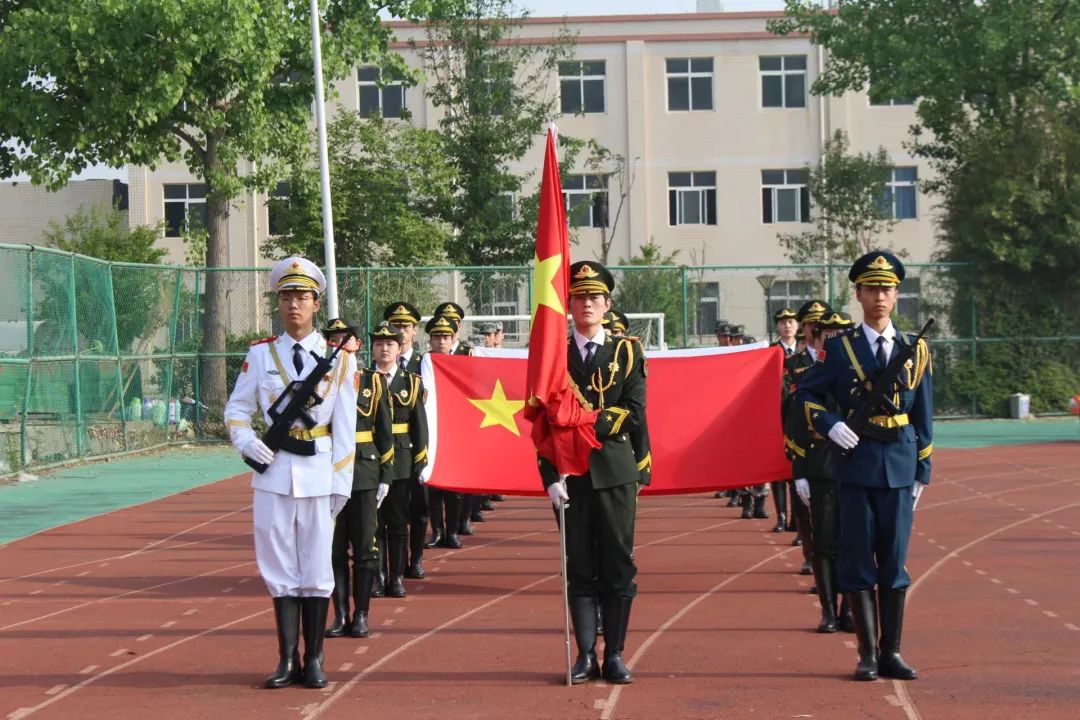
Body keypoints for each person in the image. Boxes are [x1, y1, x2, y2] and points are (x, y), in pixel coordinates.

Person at [795, 251, 932, 681]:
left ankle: (892, 652)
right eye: (872, 288)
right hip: (856, 465)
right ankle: (867, 653)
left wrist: (923, 469)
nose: (879, 296)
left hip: (899, 465)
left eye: (887, 289)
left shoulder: (915, 349)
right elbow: (805, 395)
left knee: (894, 563)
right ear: (858, 294)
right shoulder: (840, 349)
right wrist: (831, 424)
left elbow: (924, 413)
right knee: (857, 561)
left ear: (897, 295)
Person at [223, 257, 358, 689]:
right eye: (286, 297)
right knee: (279, 568)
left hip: (319, 473)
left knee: (316, 569)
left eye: (302, 297)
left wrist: (340, 484)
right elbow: (236, 410)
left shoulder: (340, 360)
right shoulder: (261, 354)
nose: (293, 304)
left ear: (316, 303)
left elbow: (346, 430)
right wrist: (248, 444)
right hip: (274, 473)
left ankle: (314, 658)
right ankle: (286, 659)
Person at [540, 261, 651, 685]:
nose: (586, 303)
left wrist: (584, 422)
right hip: (570, 475)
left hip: (615, 471)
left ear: (607, 304)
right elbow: (542, 422)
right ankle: (586, 654)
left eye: (594, 297)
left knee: (618, 564)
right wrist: (549, 477)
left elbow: (634, 411)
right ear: (568, 305)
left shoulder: (628, 352)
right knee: (580, 564)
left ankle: (616, 653)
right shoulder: (554, 356)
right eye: (579, 297)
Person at [324, 318, 395, 641]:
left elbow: (385, 432)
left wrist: (386, 475)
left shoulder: (373, 381)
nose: (340, 344)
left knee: (366, 547)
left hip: (363, 472)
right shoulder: (319, 379)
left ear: (357, 345)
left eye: (346, 339)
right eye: (334, 339)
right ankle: (340, 614)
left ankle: (362, 614)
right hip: (328, 472)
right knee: (335, 550)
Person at [784, 309, 854, 634]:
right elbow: (795, 423)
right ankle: (828, 610)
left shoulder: (860, 373)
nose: (835, 338)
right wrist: (799, 471)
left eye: (842, 334)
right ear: (817, 336)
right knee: (824, 542)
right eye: (829, 334)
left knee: (853, 543)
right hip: (821, 466)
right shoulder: (809, 374)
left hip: (854, 467)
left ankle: (849, 609)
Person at [370, 324, 429, 598]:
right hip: (371, 459)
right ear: (372, 349)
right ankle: (377, 576)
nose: (384, 349)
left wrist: (420, 461)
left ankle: (396, 576)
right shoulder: (363, 381)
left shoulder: (411, 382)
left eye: (390, 344)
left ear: (398, 349)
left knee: (398, 521)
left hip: (401, 460)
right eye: (379, 344)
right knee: (374, 523)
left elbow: (420, 426)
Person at [382, 302, 428, 578]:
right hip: (388, 450)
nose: (401, 330)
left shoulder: (426, 364)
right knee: (390, 512)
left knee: (420, 506)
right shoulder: (377, 365)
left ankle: (417, 557)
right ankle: (387, 570)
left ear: (415, 330)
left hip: (416, 444)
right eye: (395, 326)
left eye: (405, 326)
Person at [786, 300, 831, 571]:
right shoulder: (794, 364)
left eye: (819, 324)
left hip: (835, 445)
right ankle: (810, 555)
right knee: (804, 507)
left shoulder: (841, 360)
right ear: (803, 328)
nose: (815, 329)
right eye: (810, 324)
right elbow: (787, 407)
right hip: (804, 444)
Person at [423, 315, 466, 550]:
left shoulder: (462, 363)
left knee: (454, 488)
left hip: (456, 432)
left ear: (453, 339)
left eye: (446, 337)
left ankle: (452, 531)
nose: (441, 341)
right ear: (430, 340)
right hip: (432, 431)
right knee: (433, 486)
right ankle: (437, 531)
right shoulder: (423, 363)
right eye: (437, 337)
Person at [769, 307, 800, 532]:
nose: (787, 326)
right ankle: (781, 516)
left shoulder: (805, 350)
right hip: (777, 415)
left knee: (797, 467)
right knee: (778, 466)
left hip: (799, 415)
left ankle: (796, 519)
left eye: (791, 322)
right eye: (782, 322)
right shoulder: (771, 352)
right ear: (777, 327)